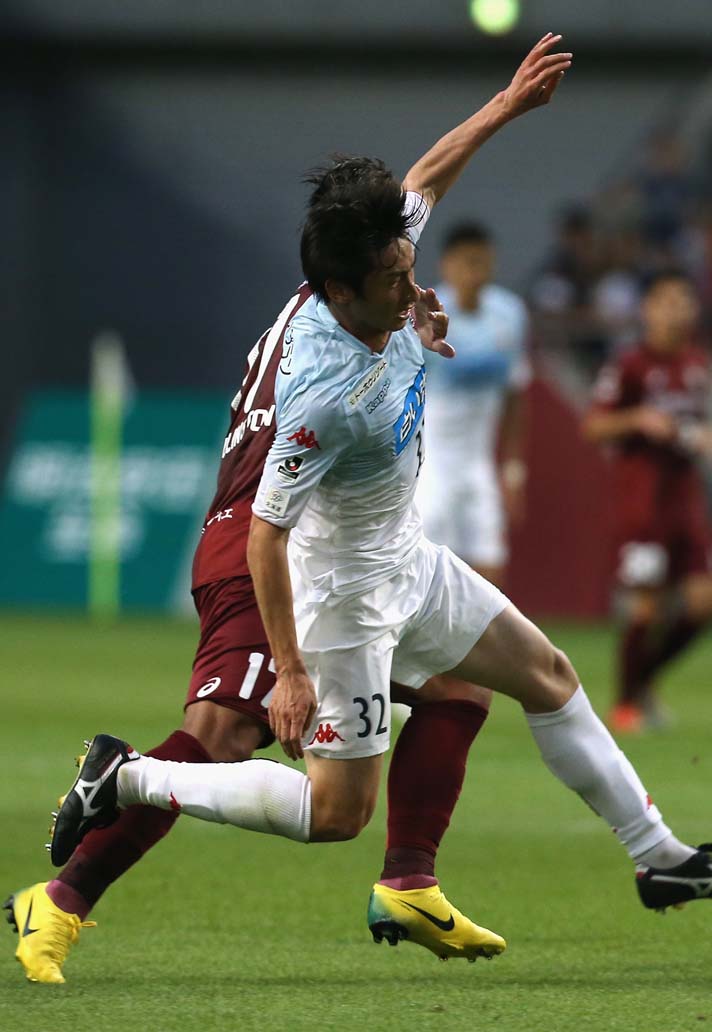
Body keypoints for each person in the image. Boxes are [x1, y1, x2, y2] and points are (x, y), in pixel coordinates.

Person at [51, 38, 712, 935]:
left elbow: (427, 174)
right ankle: (129, 776)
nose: (413, 286)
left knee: (548, 675)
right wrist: (290, 672)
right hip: (346, 596)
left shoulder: (372, 259)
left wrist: (509, 103)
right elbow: (267, 534)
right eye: (395, 281)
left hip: (406, 555)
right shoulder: (322, 394)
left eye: (409, 266)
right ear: (338, 290)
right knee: (335, 815)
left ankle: (658, 857)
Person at [583, 269, 712, 733]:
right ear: (648, 309)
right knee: (645, 607)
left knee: (702, 603)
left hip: (686, 503)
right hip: (642, 504)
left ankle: (643, 680)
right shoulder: (630, 365)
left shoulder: (697, 365)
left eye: (684, 301)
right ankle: (625, 704)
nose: (677, 311)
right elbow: (594, 426)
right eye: (667, 302)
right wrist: (638, 418)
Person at [417, 221, 530, 586]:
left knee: (491, 565)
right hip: (433, 461)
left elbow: (515, 394)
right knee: (430, 568)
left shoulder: (509, 314)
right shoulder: (427, 314)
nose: (475, 272)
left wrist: (512, 466)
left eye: (482, 262)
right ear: (447, 265)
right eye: (467, 262)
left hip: (478, 461)